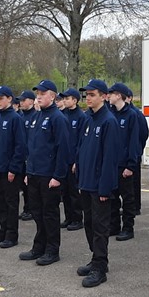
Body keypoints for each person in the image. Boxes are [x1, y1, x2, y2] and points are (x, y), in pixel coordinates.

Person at [74, 79, 119, 288]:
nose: (88, 98)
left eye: (92, 95)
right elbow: (82, 147)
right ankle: (95, 258)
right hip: (86, 182)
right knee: (89, 223)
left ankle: (100, 267)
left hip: (99, 185)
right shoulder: (88, 119)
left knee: (100, 227)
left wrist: (105, 188)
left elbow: (110, 158)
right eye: (87, 95)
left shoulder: (108, 121)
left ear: (103, 96)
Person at [21, 80, 70, 266]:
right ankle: (39, 246)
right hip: (34, 172)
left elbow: (62, 149)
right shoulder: (36, 117)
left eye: (42, 93)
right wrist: (28, 170)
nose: (38, 97)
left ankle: (52, 249)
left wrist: (58, 176)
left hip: (49, 175)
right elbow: (32, 147)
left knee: (49, 213)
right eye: (37, 94)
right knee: (37, 211)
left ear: (52, 96)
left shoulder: (58, 118)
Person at [0, 86, 27, 249]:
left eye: (1, 98)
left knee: (11, 203)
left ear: (9, 99)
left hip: (9, 170)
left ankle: (11, 234)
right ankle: (2, 230)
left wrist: (13, 168)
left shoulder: (15, 118)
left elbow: (20, 146)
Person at [107, 82, 141, 241]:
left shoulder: (131, 115)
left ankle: (128, 228)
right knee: (112, 197)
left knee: (128, 198)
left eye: (112, 94)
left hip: (125, 165)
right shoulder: (110, 113)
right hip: (112, 165)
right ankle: (114, 226)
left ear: (119, 95)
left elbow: (134, 141)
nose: (109, 96)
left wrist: (131, 165)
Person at [59, 89, 88, 231]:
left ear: (75, 100)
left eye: (67, 98)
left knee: (74, 191)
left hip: (73, 160)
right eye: (63, 98)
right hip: (63, 159)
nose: (64, 101)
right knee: (64, 191)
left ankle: (77, 218)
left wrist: (77, 161)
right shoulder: (63, 115)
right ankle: (68, 217)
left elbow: (81, 140)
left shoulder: (81, 117)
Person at [18, 89, 37, 222]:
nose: (21, 103)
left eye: (23, 100)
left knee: (30, 186)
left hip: (31, 156)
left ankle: (31, 208)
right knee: (24, 186)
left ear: (31, 101)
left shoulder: (35, 116)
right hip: (22, 156)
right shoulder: (20, 117)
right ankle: (26, 207)